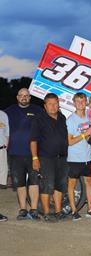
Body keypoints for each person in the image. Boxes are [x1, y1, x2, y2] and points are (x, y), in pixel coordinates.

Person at [30, 93, 69, 222]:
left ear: (59, 104)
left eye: (55, 103)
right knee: (47, 185)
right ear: (45, 106)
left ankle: (58, 212)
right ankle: (47, 213)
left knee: (60, 186)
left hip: (62, 158)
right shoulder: (38, 119)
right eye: (50, 104)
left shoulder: (62, 118)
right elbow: (33, 140)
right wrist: (35, 158)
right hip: (46, 158)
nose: (53, 106)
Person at [5, 88, 42, 220]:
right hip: (15, 153)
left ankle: (33, 209)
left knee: (34, 181)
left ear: (30, 97)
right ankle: (23, 210)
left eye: (26, 96)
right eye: (21, 95)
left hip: (34, 154)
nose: (24, 97)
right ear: (17, 97)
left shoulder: (38, 110)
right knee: (19, 182)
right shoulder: (8, 112)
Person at [66, 93, 91, 221]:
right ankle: (74, 211)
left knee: (88, 182)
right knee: (72, 184)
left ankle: (90, 209)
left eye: (83, 101)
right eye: (78, 101)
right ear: (74, 103)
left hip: (87, 157)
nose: (81, 104)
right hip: (74, 158)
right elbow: (70, 141)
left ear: (86, 102)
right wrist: (84, 134)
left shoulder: (90, 117)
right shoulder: (71, 120)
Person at [0, 110, 9, 189]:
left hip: (1, 148)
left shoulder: (3, 115)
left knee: (2, 168)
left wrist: (6, 147)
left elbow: (7, 133)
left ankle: (2, 183)